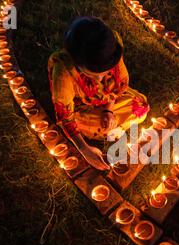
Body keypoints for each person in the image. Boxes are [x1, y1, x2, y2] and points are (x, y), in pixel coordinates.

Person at [48, 17, 150, 170]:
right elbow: (65, 117)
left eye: (105, 72)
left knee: (141, 106)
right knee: (97, 127)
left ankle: (113, 125)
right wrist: (85, 150)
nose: (101, 78)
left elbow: (118, 87)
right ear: (78, 63)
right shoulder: (64, 71)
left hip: (107, 101)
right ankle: (112, 128)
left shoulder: (110, 48)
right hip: (82, 107)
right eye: (93, 75)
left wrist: (108, 109)